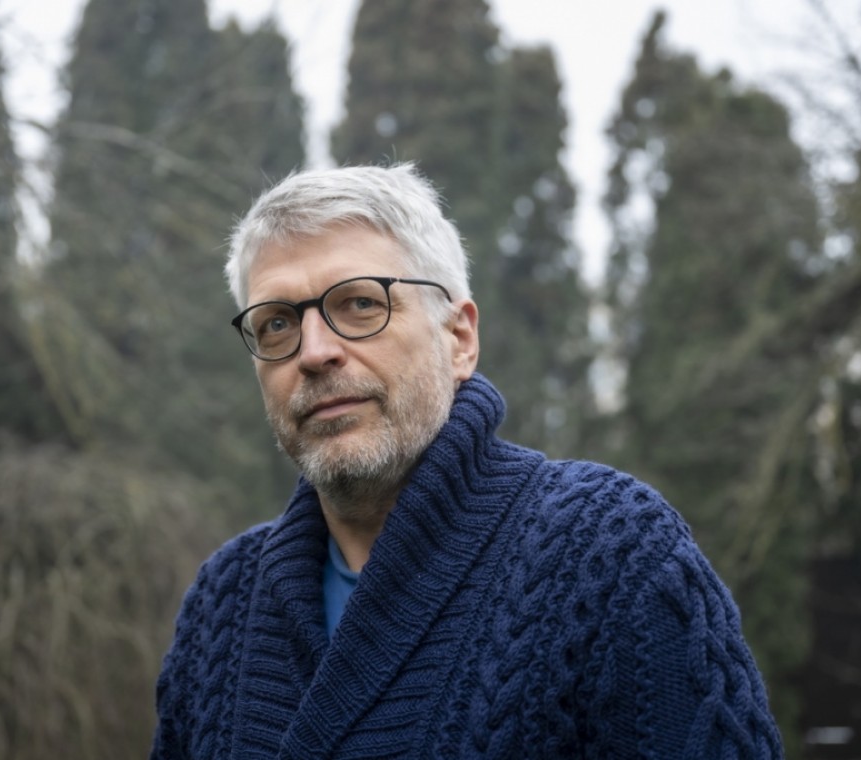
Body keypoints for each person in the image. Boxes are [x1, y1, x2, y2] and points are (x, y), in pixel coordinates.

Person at [150, 163, 784, 759]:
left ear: (459, 339)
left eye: (361, 304)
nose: (314, 352)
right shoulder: (222, 602)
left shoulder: (612, 551)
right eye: (276, 324)